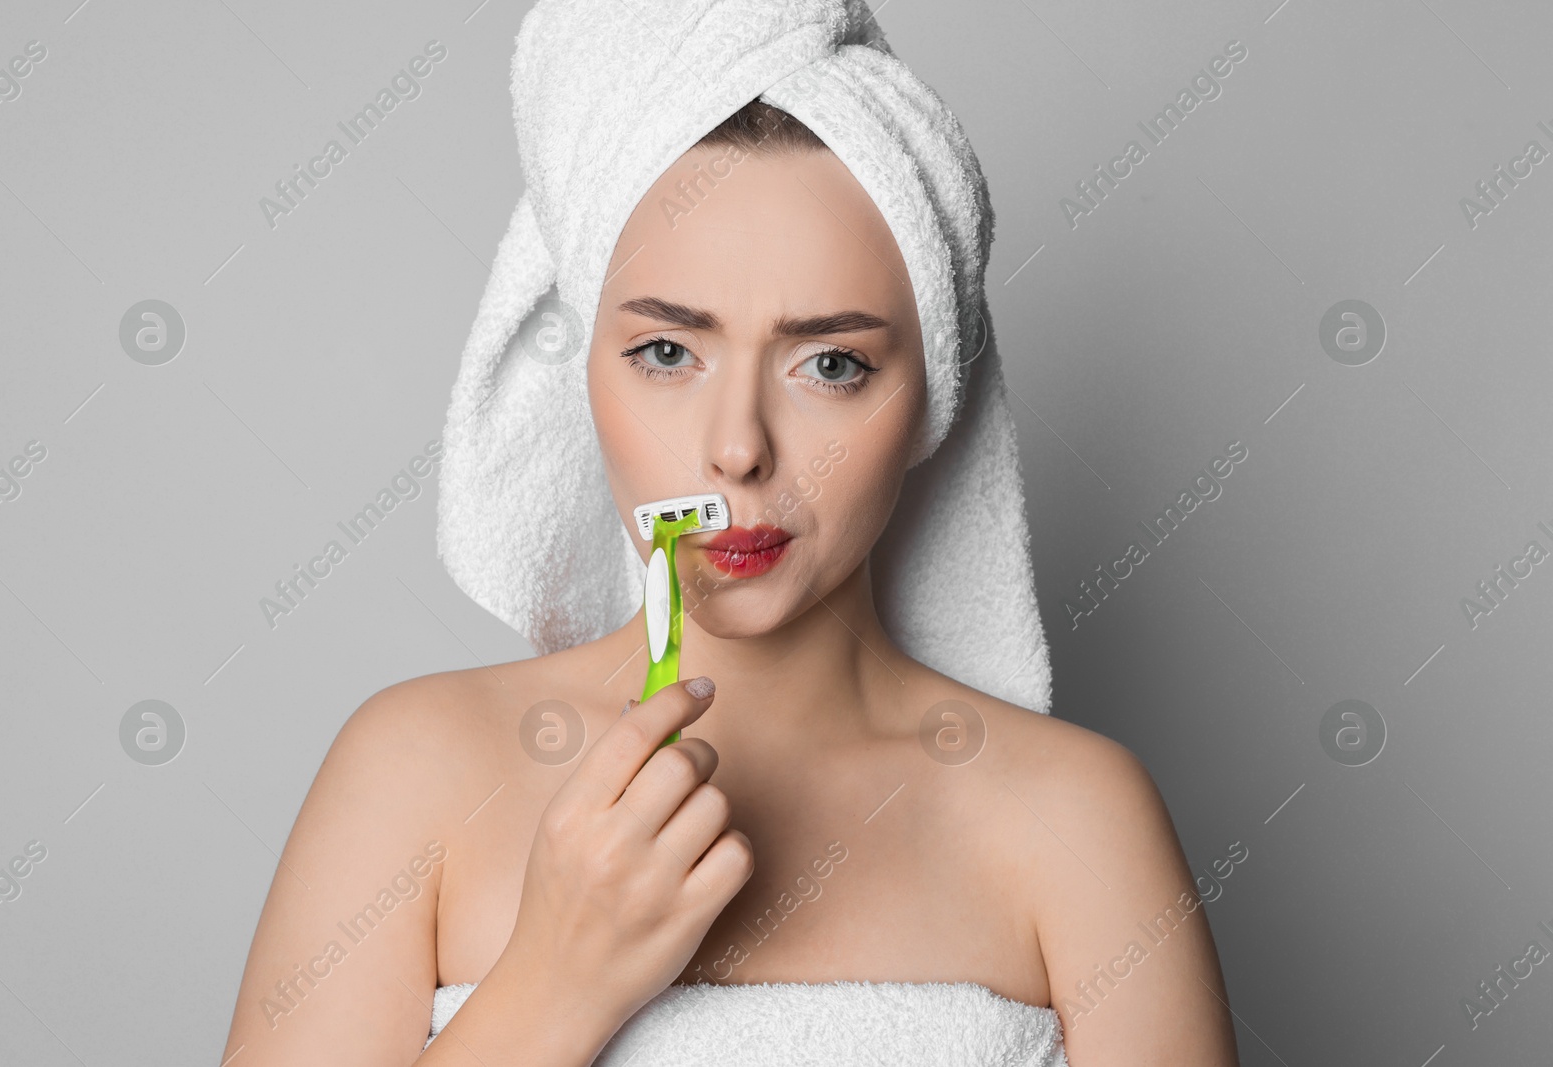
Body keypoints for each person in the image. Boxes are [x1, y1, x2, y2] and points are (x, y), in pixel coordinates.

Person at [221, 14, 1240, 1067]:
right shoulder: (414, 773)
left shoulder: (1076, 822)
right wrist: (554, 981)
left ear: (931, 395)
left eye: (830, 364)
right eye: (667, 350)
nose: (738, 449)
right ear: (583, 367)